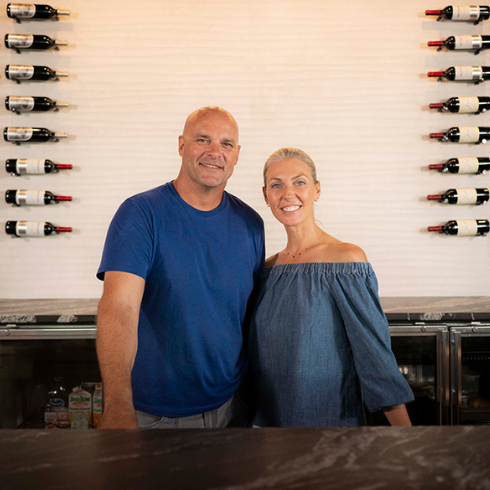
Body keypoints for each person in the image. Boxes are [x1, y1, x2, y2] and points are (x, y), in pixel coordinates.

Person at [96, 107, 265, 429]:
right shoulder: (141, 214)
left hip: (233, 407)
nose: (215, 152)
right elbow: (119, 306)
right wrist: (117, 403)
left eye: (226, 144)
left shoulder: (250, 224)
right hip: (154, 415)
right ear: (181, 145)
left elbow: (247, 316)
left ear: (237, 154)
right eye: (203, 139)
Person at [249, 147, 413, 427]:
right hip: (266, 429)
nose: (288, 193)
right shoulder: (265, 270)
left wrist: (407, 438)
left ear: (317, 189)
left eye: (299, 182)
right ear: (266, 195)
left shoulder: (347, 261)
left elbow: (374, 356)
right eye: (277, 185)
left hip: (329, 427)